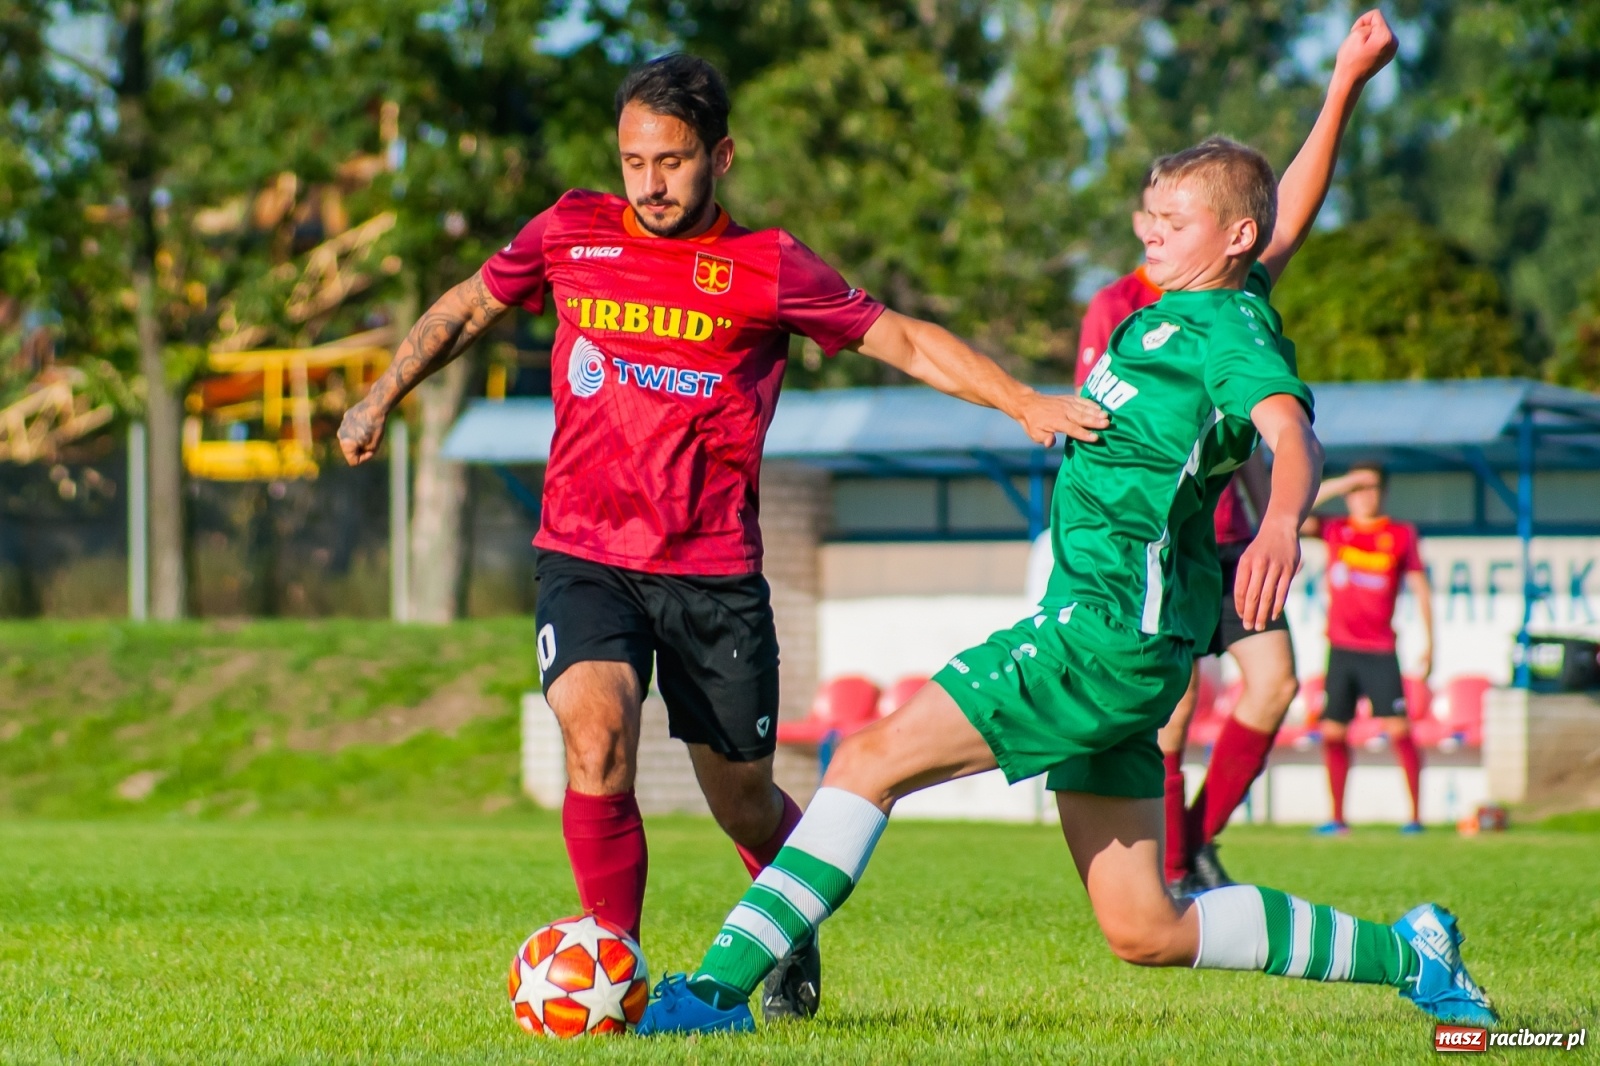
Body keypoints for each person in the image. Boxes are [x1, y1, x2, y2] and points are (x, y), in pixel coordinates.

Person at [638, 15, 1495, 1037]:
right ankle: (1414, 953)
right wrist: (1345, 80)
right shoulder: (1201, 294)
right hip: (1130, 646)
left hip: (1098, 634)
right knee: (1147, 927)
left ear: (1225, 237)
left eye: (1171, 218)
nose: (1147, 231)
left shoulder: (1228, 334)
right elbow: (1281, 218)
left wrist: (1279, 523)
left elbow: (1288, 427)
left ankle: (711, 995)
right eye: (1146, 212)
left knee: (866, 760)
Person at [336, 54, 1106, 1021]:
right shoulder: (570, 230)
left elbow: (900, 338)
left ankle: (784, 922)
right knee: (596, 739)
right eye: (633, 161)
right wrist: (379, 396)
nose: (650, 183)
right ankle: (612, 975)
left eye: (672, 160)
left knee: (743, 800)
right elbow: (470, 305)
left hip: (712, 572)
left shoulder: (770, 265)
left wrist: (1021, 399)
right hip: (584, 552)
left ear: (721, 156)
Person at [1303, 464, 1433, 834]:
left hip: (1380, 649)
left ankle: (1414, 817)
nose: (1364, 495)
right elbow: (1294, 514)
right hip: (1341, 648)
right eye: (1357, 488)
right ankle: (1337, 818)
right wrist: (1341, 482)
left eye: (1372, 487)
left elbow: (1421, 588)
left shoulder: (1399, 534)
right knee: (1333, 732)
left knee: (1398, 728)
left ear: (1384, 493)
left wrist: (1429, 643)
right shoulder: (1335, 529)